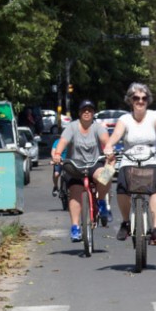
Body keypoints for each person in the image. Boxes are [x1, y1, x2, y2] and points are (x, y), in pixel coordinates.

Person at [104, 82, 156, 245]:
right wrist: (109, 146)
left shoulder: (155, 116)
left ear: (148, 100)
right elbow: (115, 136)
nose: (140, 101)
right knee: (121, 187)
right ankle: (125, 222)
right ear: (130, 100)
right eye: (136, 98)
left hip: (151, 158)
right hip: (129, 160)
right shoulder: (124, 119)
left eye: (144, 98)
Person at [53, 99, 112, 241]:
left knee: (107, 174)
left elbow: (106, 141)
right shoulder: (72, 127)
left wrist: (109, 150)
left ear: (93, 113)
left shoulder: (98, 128)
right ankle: (75, 227)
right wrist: (57, 154)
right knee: (75, 192)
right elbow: (63, 141)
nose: (87, 112)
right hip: (75, 166)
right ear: (79, 113)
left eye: (90, 110)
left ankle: (102, 202)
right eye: (84, 110)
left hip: (94, 164)